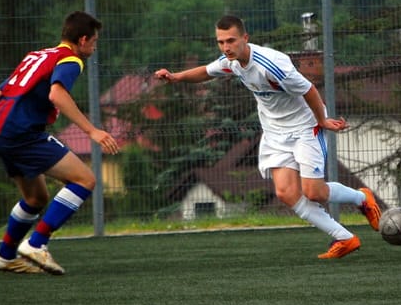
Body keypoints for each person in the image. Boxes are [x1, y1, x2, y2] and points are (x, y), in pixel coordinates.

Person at [154, 15, 382, 259]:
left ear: (245, 38)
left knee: (314, 192)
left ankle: (362, 198)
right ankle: (345, 238)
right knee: (286, 193)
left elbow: (309, 90)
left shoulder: (271, 65)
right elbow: (207, 71)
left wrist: (322, 121)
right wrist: (176, 77)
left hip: (306, 126)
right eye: (220, 42)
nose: (225, 47)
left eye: (231, 40)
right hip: (275, 132)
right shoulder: (231, 62)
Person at [0, 11, 120, 274]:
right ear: (82, 40)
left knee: (35, 198)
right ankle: (37, 244)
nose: (94, 46)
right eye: (94, 41)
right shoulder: (71, 60)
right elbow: (57, 94)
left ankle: (5, 255)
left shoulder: (37, 55)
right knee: (85, 180)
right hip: (21, 133)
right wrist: (93, 131)